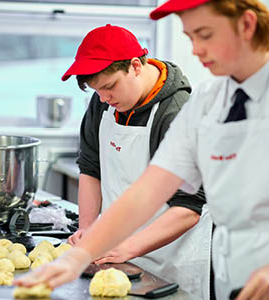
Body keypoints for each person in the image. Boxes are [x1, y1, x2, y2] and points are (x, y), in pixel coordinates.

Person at [15, 1, 269, 299]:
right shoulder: (208, 103)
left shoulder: (180, 107)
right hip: (236, 273)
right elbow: (149, 190)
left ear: (247, 25)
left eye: (205, 34)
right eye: (190, 38)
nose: (196, 49)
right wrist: (81, 253)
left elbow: (190, 206)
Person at [61, 24, 211, 299]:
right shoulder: (105, 102)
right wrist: (88, 229)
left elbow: (188, 208)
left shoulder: (176, 114)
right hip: (115, 256)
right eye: (97, 91)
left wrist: (126, 247)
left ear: (135, 66)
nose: (104, 98)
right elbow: (91, 169)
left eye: (109, 87)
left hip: (170, 262)